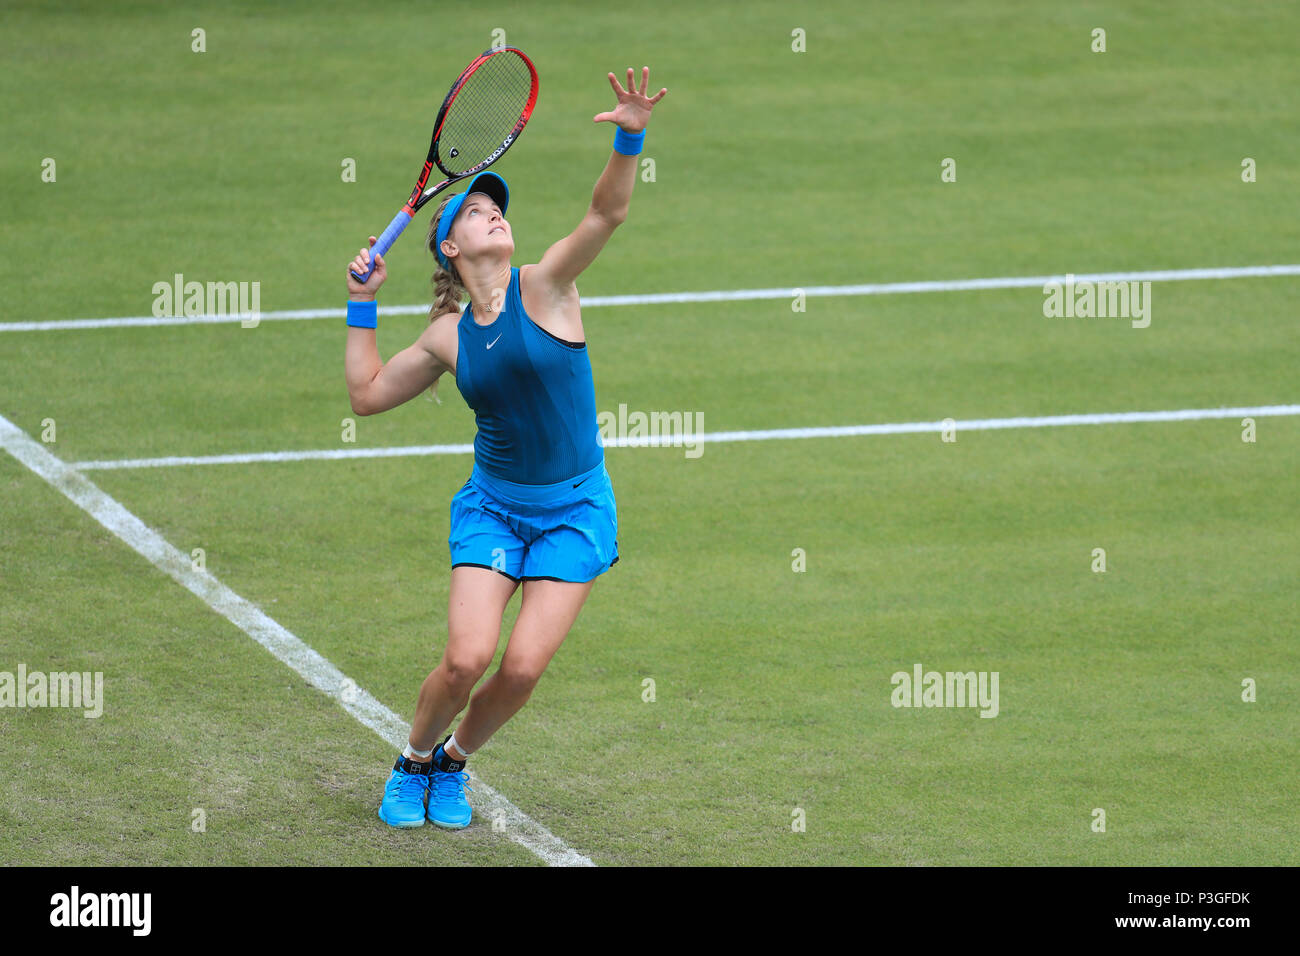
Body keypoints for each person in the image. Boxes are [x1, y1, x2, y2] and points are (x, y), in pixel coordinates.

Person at [344, 67, 667, 829]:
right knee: (466, 659)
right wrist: (362, 305)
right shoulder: (447, 337)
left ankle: (453, 764)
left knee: (520, 669)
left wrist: (631, 133)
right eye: (476, 210)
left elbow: (606, 213)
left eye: (497, 207)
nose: (493, 214)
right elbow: (367, 396)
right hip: (493, 508)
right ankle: (411, 761)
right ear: (451, 244)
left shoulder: (548, 285)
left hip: (577, 509)